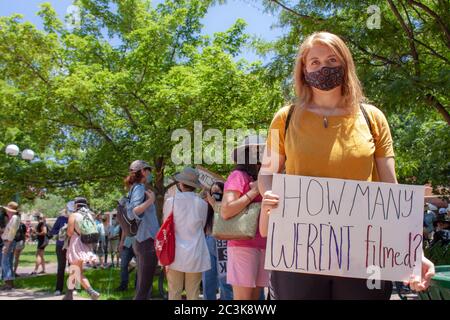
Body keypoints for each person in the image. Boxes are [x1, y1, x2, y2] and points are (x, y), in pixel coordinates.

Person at [258, 31, 435, 299]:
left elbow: (391, 187)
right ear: (304, 70)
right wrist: (268, 194)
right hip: (298, 250)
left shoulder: (373, 117)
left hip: (364, 255)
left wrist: (413, 253)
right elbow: (266, 174)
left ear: (345, 65)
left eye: (332, 59)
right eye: (314, 62)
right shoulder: (284, 118)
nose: (324, 67)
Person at [221, 135, 268, 300]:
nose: (264, 152)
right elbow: (226, 210)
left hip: (262, 245)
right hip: (243, 246)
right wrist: (254, 191)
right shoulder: (237, 176)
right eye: (259, 149)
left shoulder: (262, 177)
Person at [163, 167, 210, 300]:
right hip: (195, 252)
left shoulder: (170, 202)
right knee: (193, 293)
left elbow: (166, 226)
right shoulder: (202, 204)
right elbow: (202, 224)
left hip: (174, 252)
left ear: (180, 183)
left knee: (174, 292)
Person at [125, 160, 160, 300]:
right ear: (143, 172)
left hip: (141, 240)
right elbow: (133, 211)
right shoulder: (139, 188)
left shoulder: (135, 188)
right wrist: (151, 201)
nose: (151, 173)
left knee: (143, 286)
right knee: (144, 288)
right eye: (149, 170)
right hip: (146, 240)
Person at [63, 197, 100, 300]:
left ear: (76, 205)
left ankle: (91, 291)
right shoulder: (89, 215)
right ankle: (68, 295)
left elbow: (70, 232)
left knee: (76, 271)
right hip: (86, 243)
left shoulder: (74, 215)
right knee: (73, 270)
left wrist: (66, 230)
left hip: (76, 244)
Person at [203, 181, 233, 300]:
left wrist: (216, 204)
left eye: (218, 191)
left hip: (223, 244)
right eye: (213, 192)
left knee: (224, 279)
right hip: (209, 241)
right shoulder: (207, 207)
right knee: (208, 278)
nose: (215, 194)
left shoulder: (228, 206)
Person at [0, 202, 21, 290]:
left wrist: (7, 245)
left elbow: (11, 234)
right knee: (7, 262)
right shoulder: (13, 218)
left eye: (8, 210)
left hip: (8, 242)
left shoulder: (14, 218)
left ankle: (8, 283)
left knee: (5, 262)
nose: (7, 211)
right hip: (7, 241)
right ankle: (9, 283)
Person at [49, 207, 70, 295]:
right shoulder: (61, 219)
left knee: (74, 267)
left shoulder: (77, 218)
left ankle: (74, 289)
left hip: (72, 246)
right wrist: (61, 231)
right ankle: (58, 289)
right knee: (61, 267)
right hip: (61, 245)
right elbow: (53, 231)